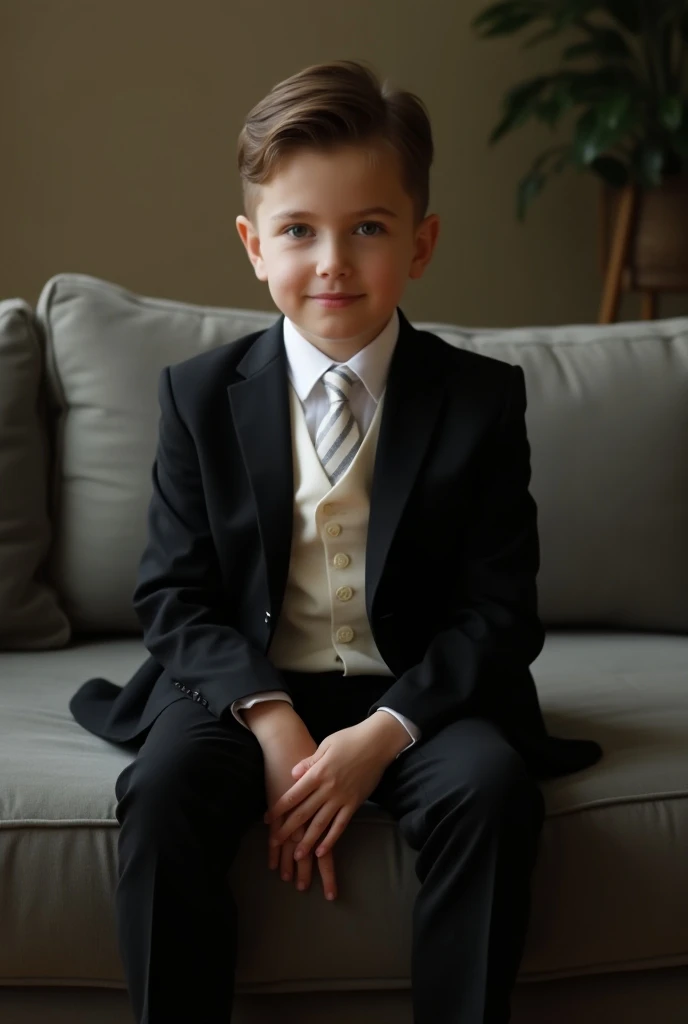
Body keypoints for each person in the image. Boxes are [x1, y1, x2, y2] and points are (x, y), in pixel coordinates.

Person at [69, 58, 603, 1024]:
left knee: (490, 793)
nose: (332, 262)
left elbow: (499, 613)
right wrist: (272, 721)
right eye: (298, 231)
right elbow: (172, 598)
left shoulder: (480, 402)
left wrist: (381, 735)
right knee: (163, 791)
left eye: (368, 228)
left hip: (417, 692)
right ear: (252, 245)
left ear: (422, 241)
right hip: (241, 683)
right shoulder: (197, 397)